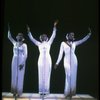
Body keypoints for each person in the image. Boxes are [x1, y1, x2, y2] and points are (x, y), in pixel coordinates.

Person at [54, 28, 91, 97]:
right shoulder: (63, 43)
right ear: (67, 36)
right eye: (71, 35)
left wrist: (88, 35)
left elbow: (83, 40)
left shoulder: (74, 43)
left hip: (74, 61)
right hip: (66, 60)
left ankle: (72, 92)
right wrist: (57, 63)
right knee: (68, 74)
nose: (72, 36)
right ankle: (67, 92)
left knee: (73, 76)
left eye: (73, 35)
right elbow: (60, 54)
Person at [27, 21, 58, 95]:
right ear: (40, 38)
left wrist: (54, 27)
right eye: (42, 36)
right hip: (40, 60)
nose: (44, 37)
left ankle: (46, 91)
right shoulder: (38, 44)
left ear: (47, 38)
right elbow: (32, 39)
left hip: (48, 60)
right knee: (40, 74)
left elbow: (53, 36)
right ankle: (41, 91)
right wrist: (29, 31)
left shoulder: (49, 43)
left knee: (47, 75)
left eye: (45, 36)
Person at [8, 25, 28, 97]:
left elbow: (26, 55)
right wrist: (9, 30)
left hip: (21, 60)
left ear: (22, 38)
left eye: (20, 36)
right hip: (14, 59)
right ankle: (14, 91)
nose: (19, 36)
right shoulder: (14, 43)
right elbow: (9, 37)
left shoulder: (24, 45)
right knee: (14, 75)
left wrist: (22, 63)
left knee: (20, 76)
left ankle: (19, 92)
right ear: (16, 37)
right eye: (18, 35)